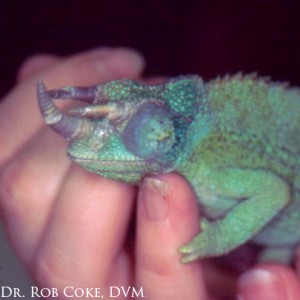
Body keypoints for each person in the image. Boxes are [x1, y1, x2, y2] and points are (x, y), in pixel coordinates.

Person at [0, 47, 299, 299]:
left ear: (162, 136)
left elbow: (274, 191)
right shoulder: (187, 151)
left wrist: (220, 237)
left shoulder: (208, 161)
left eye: (136, 132)